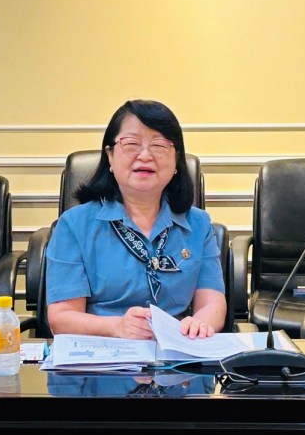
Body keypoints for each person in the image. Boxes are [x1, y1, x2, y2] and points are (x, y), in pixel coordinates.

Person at [45, 99, 227, 339]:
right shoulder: (74, 225)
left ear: (176, 161)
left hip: (175, 349)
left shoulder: (198, 225)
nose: (145, 155)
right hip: (102, 349)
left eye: (159, 145)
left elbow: (213, 303)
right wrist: (117, 327)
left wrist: (199, 324)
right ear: (110, 156)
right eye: (131, 144)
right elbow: (61, 318)